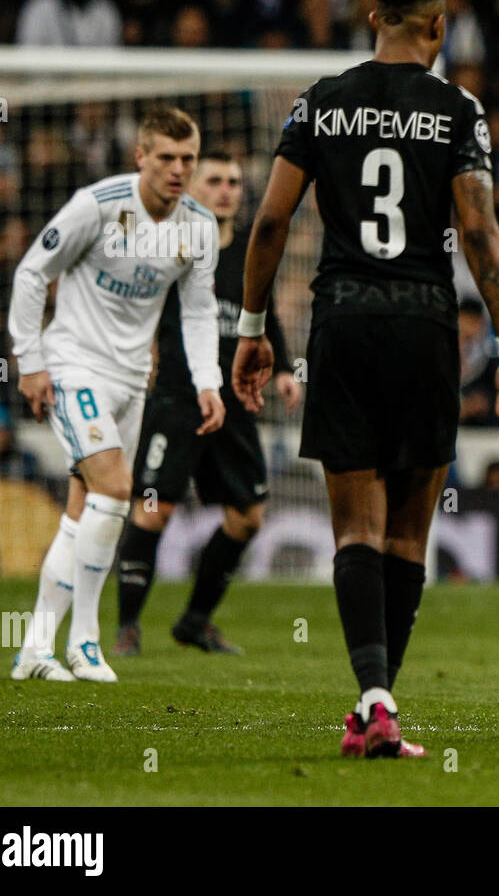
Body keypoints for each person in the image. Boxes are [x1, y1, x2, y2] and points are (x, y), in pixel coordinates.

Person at [231, 0, 499, 759]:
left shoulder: (321, 103)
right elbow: (480, 233)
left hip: (344, 321)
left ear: (374, 17)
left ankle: (372, 699)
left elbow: (267, 225)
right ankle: (380, 706)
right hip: (426, 326)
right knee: (408, 535)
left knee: (354, 529)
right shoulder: (459, 110)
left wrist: (251, 327)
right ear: (438, 24)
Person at [7, 106, 224, 683]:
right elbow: (32, 271)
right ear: (141, 157)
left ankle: (33, 651)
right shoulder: (97, 205)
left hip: (133, 381)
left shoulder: (199, 227)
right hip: (75, 366)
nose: (178, 170)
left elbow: (200, 311)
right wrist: (30, 363)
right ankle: (86, 642)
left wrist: (209, 381)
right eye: (167, 158)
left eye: (188, 159)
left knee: (87, 513)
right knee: (117, 489)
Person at [113, 150, 301, 658]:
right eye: (214, 180)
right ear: (192, 187)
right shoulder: (167, 244)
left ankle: (195, 621)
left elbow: (263, 314)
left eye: (235, 182)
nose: (226, 190)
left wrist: (282, 367)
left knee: (248, 517)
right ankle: (127, 626)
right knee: (153, 510)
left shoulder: (252, 251)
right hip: (177, 396)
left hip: (235, 401)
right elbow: (134, 303)